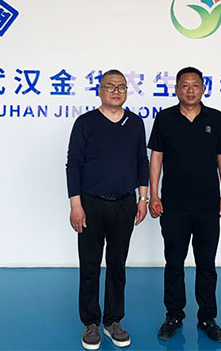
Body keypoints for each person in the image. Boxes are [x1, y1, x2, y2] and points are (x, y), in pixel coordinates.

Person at [148, 66, 221, 343]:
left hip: (208, 205)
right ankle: (173, 315)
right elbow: (156, 157)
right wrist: (154, 195)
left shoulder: (215, 119)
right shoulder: (165, 118)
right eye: (184, 85)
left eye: (195, 85)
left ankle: (208, 317)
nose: (190, 90)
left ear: (203, 88)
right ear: (176, 89)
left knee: (206, 264)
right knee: (174, 262)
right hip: (174, 205)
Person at [66, 69, 149, 350]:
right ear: (99, 90)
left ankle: (113, 321)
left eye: (121, 86)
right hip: (90, 203)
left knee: (117, 265)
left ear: (127, 91)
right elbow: (73, 164)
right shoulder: (85, 123)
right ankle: (90, 322)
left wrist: (142, 198)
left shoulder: (135, 123)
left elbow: (141, 162)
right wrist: (76, 204)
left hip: (125, 203)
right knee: (90, 265)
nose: (116, 91)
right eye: (110, 86)